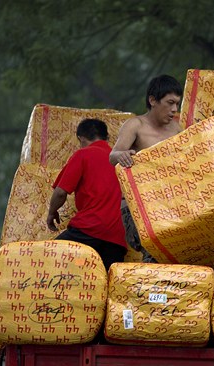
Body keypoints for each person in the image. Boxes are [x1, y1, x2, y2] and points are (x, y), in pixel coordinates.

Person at [109, 74, 183, 263]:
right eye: (170, 103)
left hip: (169, 203)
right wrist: (123, 155)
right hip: (138, 207)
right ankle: (150, 292)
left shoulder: (177, 130)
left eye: (177, 104)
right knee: (154, 253)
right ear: (153, 100)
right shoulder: (136, 125)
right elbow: (113, 155)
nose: (174, 110)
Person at [47, 118, 127, 270]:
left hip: (89, 230)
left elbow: (60, 192)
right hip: (117, 238)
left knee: (50, 259)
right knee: (105, 283)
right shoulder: (120, 160)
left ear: (81, 138)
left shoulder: (83, 154)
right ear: (106, 138)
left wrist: (51, 213)